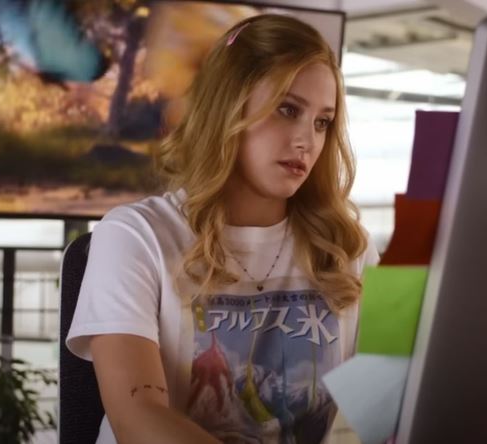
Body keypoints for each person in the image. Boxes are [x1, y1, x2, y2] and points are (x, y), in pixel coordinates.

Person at [66, 13, 379, 444]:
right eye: (288, 109)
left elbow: (388, 405)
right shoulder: (135, 236)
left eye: (322, 122)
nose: (307, 140)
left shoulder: (349, 249)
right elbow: (138, 416)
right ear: (227, 107)